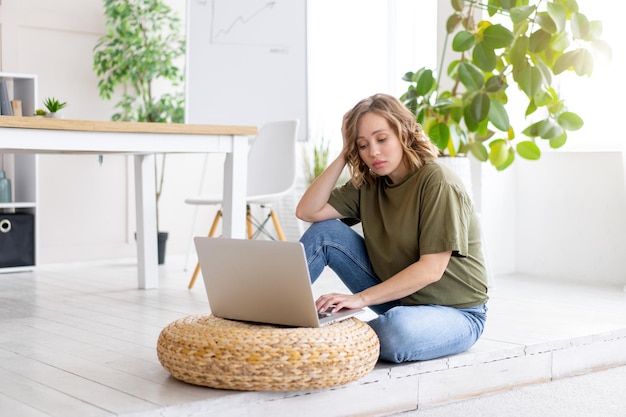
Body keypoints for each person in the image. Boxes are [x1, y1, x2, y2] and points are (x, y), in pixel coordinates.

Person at [295, 93, 488, 363]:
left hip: (457, 313)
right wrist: (343, 153)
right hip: (400, 297)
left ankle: (317, 343)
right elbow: (308, 211)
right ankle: (269, 313)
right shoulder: (370, 184)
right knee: (326, 232)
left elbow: (431, 269)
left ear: (403, 133)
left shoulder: (438, 181)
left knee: (396, 331)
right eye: (362, 145)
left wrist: (360, 299)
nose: (373, 152)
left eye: (382, 139)